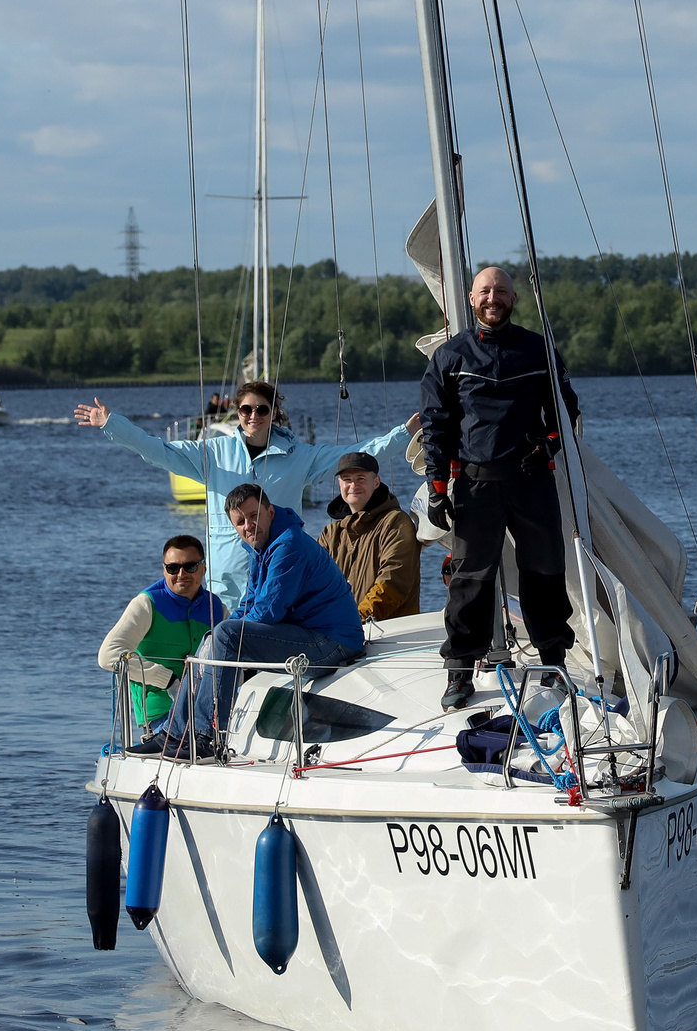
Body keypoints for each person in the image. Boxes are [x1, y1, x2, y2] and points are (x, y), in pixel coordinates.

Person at [73, 379, 415, 604]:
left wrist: (405, 432)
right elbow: (156, 450)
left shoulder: (300, 456)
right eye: (246, 409)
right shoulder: (212, 453)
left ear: (273, 413)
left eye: (262, 409)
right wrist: (111, 424)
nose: (254, 415)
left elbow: (360, 453)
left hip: (280, 576)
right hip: (226, 582)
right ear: (237, 413)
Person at [419, 264, 582, 711]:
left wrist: (548, 447)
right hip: (476, 484)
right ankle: (458, 672)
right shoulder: (450, 358)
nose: (494, 299)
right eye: (485, 292)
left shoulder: (537, 350)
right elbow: (436, 426)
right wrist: (436, 489)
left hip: (531, 479)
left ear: (514, 298)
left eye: (502, 291)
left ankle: (554, 662)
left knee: (545, 574)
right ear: (472, 300)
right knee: (470, 580)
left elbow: (565, 410)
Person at [132, 482, 364, 757]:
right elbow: (248, 604)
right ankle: (173, 733)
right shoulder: (262, 547)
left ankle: (206, 736)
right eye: (240, 522)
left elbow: (268, 612)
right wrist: (216, 638)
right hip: (310, 635)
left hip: (334, 644)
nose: (248, 525)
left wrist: (224, 635)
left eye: (254, 515)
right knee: (214, 637)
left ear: (270, 511)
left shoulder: (288, 545)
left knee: (225, 636)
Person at [96, 535, 228, 732]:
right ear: (164, 570)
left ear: (204, 568)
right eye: (173, 568)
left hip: (211, 711)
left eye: (190, 566)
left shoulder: (217, 608)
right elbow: (107, 656)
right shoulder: (147, 604)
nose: (181, 574)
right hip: (162, 715)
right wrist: (166, 680)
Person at [317, 450, 422, 622]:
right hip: (340, 631)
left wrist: (356, 620)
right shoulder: (331, 532)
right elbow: (313, 580)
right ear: (339, 484)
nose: (353, 485)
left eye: (361, 479)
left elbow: (393, 581)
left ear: (376, 482)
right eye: (347, 480)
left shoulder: (396, 522)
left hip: (391, 632)